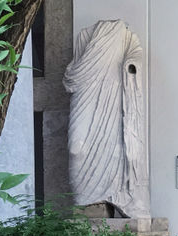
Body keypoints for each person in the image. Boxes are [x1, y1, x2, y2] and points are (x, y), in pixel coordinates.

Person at [63, 19, 150, 218]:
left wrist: (130, 66)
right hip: (86, 93)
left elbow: (135, 56)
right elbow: (72, 77)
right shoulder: (84, 35)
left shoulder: (124, 34)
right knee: (76, 148)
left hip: (114, 93)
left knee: (115, 147)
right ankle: (85, 201)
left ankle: (113, 196)